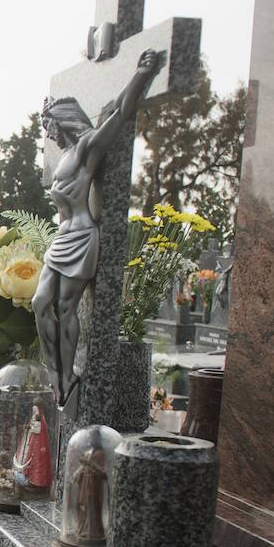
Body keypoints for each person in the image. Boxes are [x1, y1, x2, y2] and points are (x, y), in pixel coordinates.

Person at [33, 49, 165, 406]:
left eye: (49, 127)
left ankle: (67, 376)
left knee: (64, 307)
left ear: (62, 122)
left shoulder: (88, 147)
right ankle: (54, 372)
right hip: (62, 238)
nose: (48, 135)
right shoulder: (62, 157)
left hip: (82, 236)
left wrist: (142, 73)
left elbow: (121, 113)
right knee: (39, 303)